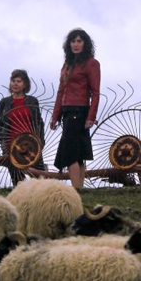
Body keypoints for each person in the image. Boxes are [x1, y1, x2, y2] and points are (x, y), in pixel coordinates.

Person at [50, 28, 101, 189]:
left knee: (73, 153)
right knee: (76, 154)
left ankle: (76, 190)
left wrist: (91, 117)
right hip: (66, 111)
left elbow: (96, 92)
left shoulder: (91, 63)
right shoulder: (67, 65)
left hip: (80, 111)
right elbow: (61, 91)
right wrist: (55, 116)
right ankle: (79, 190)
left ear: (85, 44)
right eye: (73, 41)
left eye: (79, 41)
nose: (76, 44)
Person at [0, 69, 46, 186]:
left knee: (40, 178)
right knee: (18, 180)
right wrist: (3, 145)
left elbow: (38, 122)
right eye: (13, 81)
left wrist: (40, 141)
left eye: (18, 81)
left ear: (25, 84)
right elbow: (1, 125)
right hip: (12, 144)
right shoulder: (5, 102)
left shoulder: (32, 101)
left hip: (31, 143)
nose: (15, 84)